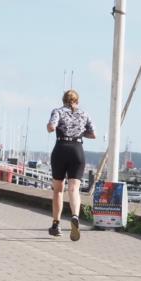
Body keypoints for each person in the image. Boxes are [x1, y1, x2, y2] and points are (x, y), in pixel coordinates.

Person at [47, 89, 96, 241]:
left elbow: (51, 127)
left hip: (61, 148)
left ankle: (56, 225)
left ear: (63, 100)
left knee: (58, 190)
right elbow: (93, 134)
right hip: (77, 150)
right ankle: (75, 216)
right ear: (77, 101)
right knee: (74, 189)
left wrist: (51, 126)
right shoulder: (84, 114)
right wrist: (80, 133)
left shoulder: (58, 111)